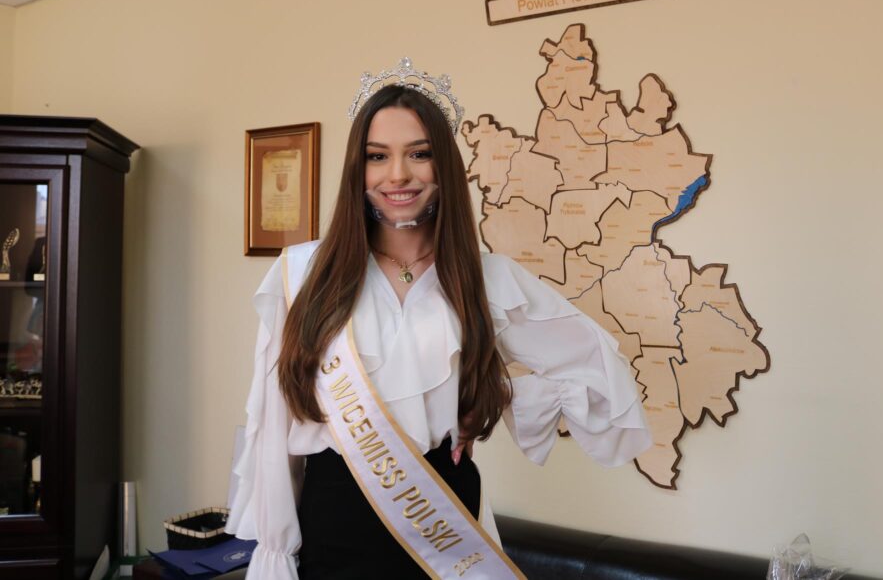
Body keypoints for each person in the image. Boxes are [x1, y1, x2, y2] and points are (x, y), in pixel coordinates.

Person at [226, 60, 651, 579]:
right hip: (333, 523)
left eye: (419, 154)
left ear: (444, 166)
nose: (397, 175)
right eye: (377, 156)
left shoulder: (488, 279)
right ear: (357, 169)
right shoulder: (302, 273)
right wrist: (276, 549)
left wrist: (491, 393)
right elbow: (274, 427)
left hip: (442, 521)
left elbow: (597, 367)